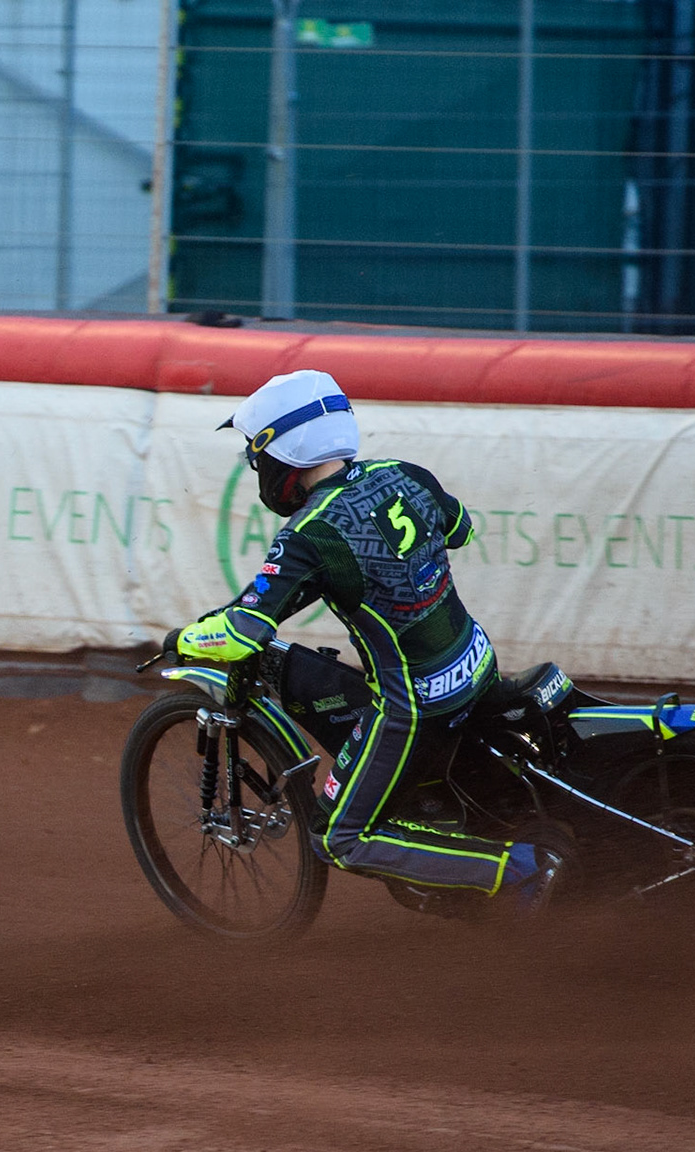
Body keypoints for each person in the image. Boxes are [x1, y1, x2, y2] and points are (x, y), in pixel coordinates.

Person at [165, 370, 567, 915]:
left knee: (338, 839)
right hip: (475, 663)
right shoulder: (403, 473)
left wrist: (183, 637)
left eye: (256, 454)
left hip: (415, 704)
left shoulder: (311, 534)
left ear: (282, 453)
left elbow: (242, 631)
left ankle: (520, 870)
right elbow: (460, 529)